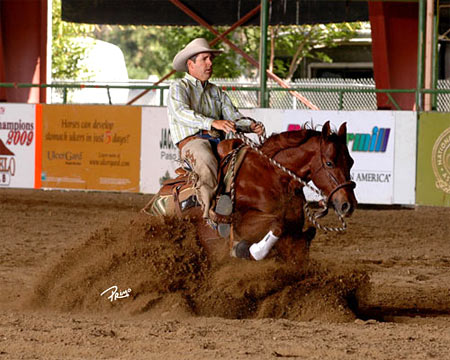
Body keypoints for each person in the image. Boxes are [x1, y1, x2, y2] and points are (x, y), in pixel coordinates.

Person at [167, 38, 263, 224]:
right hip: (193, 143)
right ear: (190, 64)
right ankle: (207, 213)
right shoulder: (178, 87)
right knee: (206, 159)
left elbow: (233, 116)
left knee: (248, 157)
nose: (210, 63)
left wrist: (249, 126)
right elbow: (181, 113)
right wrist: (212, 123)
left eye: (211, 59)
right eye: (204, 59)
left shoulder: (216, 91)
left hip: (220, 142)